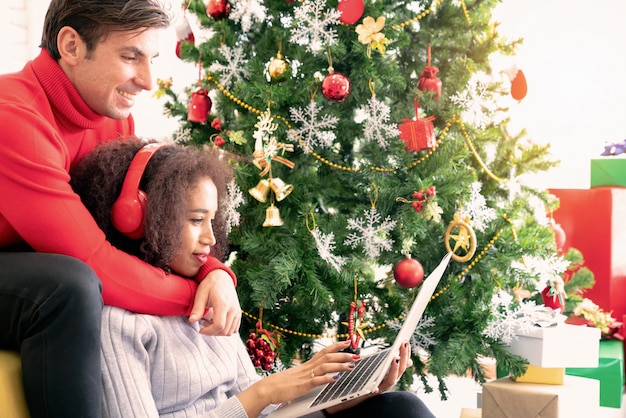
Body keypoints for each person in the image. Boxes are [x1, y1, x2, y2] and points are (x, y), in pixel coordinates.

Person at [69, 138, 436, 418]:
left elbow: (262, 414)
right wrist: (260, 394)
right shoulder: (118, 324)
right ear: (138, 219)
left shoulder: (206, 293)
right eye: (196, 220)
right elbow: (253, 403)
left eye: (212, 220)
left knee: (399, 407)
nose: (211, 239)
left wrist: (342, 397)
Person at [0, 1, 240, 417]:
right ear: (71, 46)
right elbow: (93, 261)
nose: (147, 81)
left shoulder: (112, 120)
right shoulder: (12, 117)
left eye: (153, 59)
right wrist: (195, 295)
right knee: (68, 285)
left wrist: (214, 274)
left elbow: (142, 228)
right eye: (130, 57)